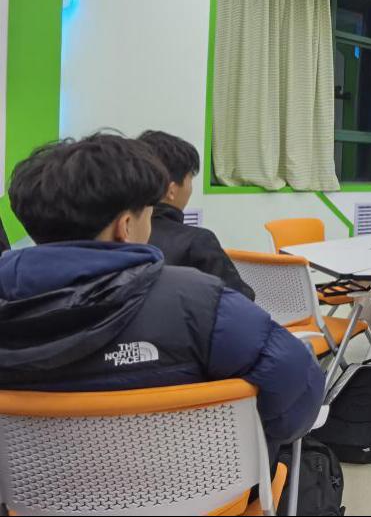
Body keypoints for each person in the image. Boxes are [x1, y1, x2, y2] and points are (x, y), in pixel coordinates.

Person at [0, 133, 324, 465]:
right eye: (148, 213)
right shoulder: (201, 303)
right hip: (202, 487)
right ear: (125, 226)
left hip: (33, 491)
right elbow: (297, 397)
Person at [138, 130, 254, 300]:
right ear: (171, 191)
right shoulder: (198, 242)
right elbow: (241, 300)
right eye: (190, 180)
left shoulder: (117, 234)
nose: (190, 189)